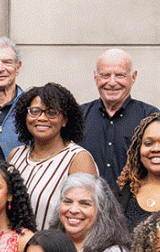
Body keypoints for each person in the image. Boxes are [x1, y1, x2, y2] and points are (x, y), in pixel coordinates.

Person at [8, 84, 97, 230]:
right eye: (34, 111)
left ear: (65, 120)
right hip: (11, 249)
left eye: (51, 112)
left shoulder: (78, 159)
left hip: (53, 250)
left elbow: (87, 217)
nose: (42, 118)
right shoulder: (15, 155)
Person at [81, 50, 160, 187]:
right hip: (88, 205)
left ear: (133, 77)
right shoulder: (79, 116)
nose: (112, 82)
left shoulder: (150, 117)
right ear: (95, 78)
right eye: (105, 75)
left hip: (134, 205)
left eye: (120, 75)